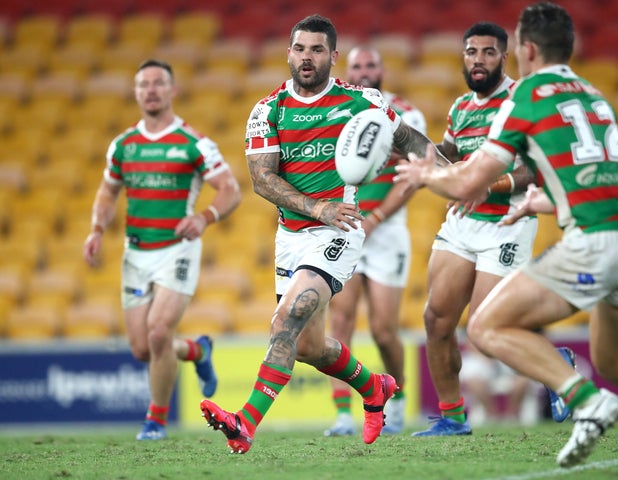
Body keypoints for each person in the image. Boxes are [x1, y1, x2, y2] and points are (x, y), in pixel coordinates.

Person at [395, 2, 618, 473]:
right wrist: (545, 202)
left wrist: (425, 173)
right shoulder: (593, 95)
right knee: (616, 362)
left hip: (596, 242)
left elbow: (468, 184)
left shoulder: (525, 95)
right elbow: (594, 177)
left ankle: (586, 400)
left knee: (486, 326)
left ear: (524, 50)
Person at [199, 14, 444, 454]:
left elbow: (410, 139)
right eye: (299, 49)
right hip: (292, 235)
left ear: (333, 56)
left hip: (339, 230)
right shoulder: (267, 110)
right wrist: (316, 207)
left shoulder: (362, 102)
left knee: (284, 322)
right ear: (288, 53)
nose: (306, 57)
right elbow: (262, 180)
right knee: (310, 345)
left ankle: (244, 422)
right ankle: (374, 387)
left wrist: (457, 181)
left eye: (316, 49)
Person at [409, 21, 564, 437]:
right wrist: (413, 151)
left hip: (507, 222)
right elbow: (452, 154)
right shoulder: (460, 107)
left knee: (485, 328)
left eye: (488, 52)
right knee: (436, 319)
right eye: (471, 52)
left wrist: (486, 183)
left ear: (504, 56)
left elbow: (537, 166)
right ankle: (453, 417)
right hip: (463, 223)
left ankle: (557, 367)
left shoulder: (521, 100)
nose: (479, 60)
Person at [82, 59, 242, 441]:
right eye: (143, 85)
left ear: (172, 91)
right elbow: (108, 191)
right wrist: (96, 230)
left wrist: (203, 218)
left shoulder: (192, 142)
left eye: (158, 83)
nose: (151, 90)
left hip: (177, 250)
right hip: (136, 254)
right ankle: (198, 351)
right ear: (136, 93)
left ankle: (155, 419)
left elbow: (230, 190)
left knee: (157, 334)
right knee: (141, 348)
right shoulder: (123, 145)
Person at [323, 44, 427, 437]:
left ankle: (396, 400)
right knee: (341, 323)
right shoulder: (337, 110)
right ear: (346, 70)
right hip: (346, 227)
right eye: (357, 66)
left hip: (386, 233)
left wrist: (378, 216)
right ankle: (343, 415)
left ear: (382, 69)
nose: (364, 71)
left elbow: (415, 173)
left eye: (371, 65)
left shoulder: (404, 115)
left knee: (384, 330)